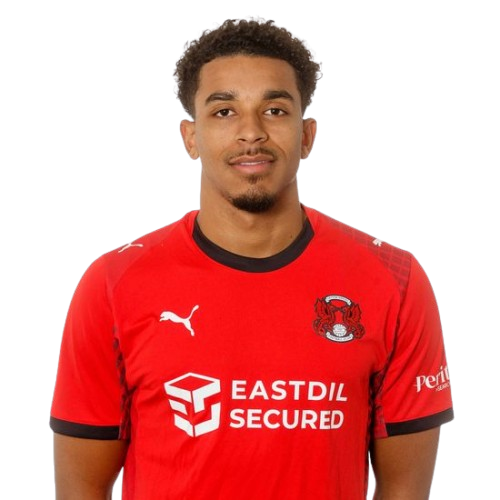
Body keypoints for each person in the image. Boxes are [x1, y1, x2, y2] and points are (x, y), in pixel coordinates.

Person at [49, 15, 454, 499]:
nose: (251, 133)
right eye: (224, 111)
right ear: (190, 137)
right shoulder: (113, 283)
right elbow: (80, 488)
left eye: (275, 110)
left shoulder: (395, 279)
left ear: (307, 135)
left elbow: (405, 491)